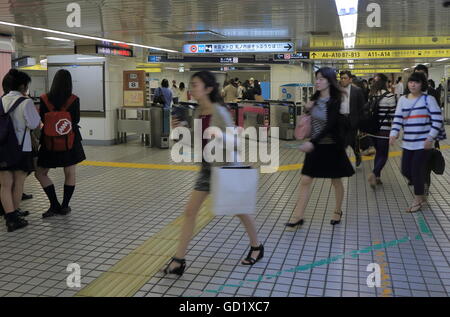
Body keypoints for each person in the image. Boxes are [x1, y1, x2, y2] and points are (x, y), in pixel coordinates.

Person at [163, 71, 263, 276]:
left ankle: (257, 246)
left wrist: (219, 135)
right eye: (191, 84)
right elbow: (198, 141)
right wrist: (180, 131)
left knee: (240, 210)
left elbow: (235, 141)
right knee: (190, 212)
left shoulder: (220, 111)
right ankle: (179, 260)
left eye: (196, 85)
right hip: (206, 169)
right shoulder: (199, 110)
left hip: (224, 168)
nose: (192, 88)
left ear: (208, 88)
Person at [286, 67, 354, 228]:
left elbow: (330, 126)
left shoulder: (336, 101)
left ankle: (337, 211)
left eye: (321, 79)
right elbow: (310, 120)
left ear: (330, 81)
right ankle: (298, 216)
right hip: (316, 146)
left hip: (331, 147)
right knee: (305, 180)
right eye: (316, 78)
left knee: (336, 181)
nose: (317, 81)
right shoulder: (315, 98)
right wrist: (307, 109)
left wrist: (312, 142)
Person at [35, 69, 86, 218]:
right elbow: (75, 120)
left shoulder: (44, 98)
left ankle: (53, 204)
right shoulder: (74, 99)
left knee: (41, 173)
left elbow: (43, 120)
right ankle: (64, 206)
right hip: (69, 141)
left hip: (49, 141)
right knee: (70, 172)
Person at [390, 72, 443, 213]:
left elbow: (438, 120)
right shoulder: (403, 100)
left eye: (417, 82)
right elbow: (397, 118)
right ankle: (421, 188)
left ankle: (418, 199)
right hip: (408, 143)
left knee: (416, 170)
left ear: (422, 84)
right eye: (411, 82)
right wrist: (393, 133)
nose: (413, 84)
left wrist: (430, 137)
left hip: (423, 144)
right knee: (405, 170)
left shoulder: (428, 99)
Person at [0, 69, 40, 232]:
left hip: (2, 148)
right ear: (23, 86)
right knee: (19, 182)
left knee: (5, 184)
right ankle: (15, 216)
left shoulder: (0, 101)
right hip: (21, 148)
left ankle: (9, 216)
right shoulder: (26, 102)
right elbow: (34, 124)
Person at [366, 74, 397, 188]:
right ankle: (374, 174)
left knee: (378, 153)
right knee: (383, 155)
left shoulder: (372, 95)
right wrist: (395, 130)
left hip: (373, 130)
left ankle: (377, 177)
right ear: (385, 83)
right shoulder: (390, 96)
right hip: (384, 130)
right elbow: (394, 114)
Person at [339, 70, 365, 166]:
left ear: (350, 80)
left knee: (351, 140)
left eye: (345, 78)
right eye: (341, 78)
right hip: (341, 119)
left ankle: (357, 154)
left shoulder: (357, 91)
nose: (343, 80)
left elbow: (362, 107)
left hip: (352, 119)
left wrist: (361, 122)